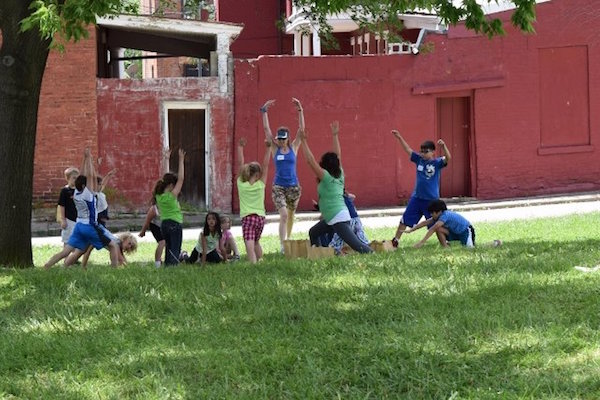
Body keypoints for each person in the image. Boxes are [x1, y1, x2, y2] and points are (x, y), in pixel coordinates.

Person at [298, 121, 372, 254]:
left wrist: (303, 141)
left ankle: (372, 254)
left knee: (357, 246)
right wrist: (335, 135)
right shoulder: (340, 174)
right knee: (313, 232)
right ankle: (321, 255)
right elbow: (337, 155)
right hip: (332, 217)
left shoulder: (325, 176)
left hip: (338, 218)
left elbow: (310, 160)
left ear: (324, 165)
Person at [45, 149, 121, 269]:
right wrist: (89, 160)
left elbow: (82, 176)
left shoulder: (76, 193)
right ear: (85, 186)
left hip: (79, 226)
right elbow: (89, 175)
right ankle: (114, 270)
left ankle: (49, 266)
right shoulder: (87, 194)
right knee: (112, 245)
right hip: (89, 226)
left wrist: (85, 159)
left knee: (67, 251)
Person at [390, 130, 451, 247]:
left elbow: (448, 158)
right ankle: (396, 240)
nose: (423, 154)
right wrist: (399, 138)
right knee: (405, 219)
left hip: (432, 200)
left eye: (426, 151)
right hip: (417, 198)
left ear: (433, 152)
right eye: (421, 151)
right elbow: (408, 150)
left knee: (437, 223)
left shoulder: (437, 163)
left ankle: (445, 242)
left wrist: (444, 146)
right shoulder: (418, 160)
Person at [260, 98, 304, 253]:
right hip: (278, 187)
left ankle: (288, 238)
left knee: (291, 215)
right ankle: (282, 244)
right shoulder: (274, 148)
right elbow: (266, 129)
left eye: (283, 139)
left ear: (288, 138)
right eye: (279, 139)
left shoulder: (294, 147)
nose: (281, 141)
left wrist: (300, 110)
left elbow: (301, 130)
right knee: (284, 215)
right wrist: (264, 111)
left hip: (293, 187)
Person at [236, 137, 271, 263]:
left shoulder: (241, 185)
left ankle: (253, 264)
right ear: (257, 175)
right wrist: (268, 148)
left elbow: (240, 163)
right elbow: (266, 165)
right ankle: (261, 260)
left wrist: (240, 148)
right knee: (256, 241)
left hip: (248, 217)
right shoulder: (260, 185)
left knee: (249, 245)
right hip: (260, 218)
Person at [153, 148, 186, 266]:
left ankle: (168, 266)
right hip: (175, 224)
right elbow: (181, 179)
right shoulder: (172, 196)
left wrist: (167, 159)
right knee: (175, 248)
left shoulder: (159, 195)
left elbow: (165, 177)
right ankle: (173, 267)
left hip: (164, 225)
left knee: (168, 249)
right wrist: (181, 160)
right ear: (172, 185)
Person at [139, 148, 171, 268]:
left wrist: (167, 159)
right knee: (162, 242)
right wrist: (143, 231)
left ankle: (169, 260)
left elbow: (167, 179)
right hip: (155, 225)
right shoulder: (154, 209)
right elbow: (147, 221)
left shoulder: (167, 200)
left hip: (164, 224)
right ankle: (157, 263)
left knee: (168, 242)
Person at [405, 199, 475, 248]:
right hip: (454, 232)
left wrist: (422, 242)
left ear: (439, 212)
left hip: (466, 231)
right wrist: (411, 230)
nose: (431, 215)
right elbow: (425, 222)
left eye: (432, 213)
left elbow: (433, 228)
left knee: (469, 249)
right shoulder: (439, 216)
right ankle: (446, 247)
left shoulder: (445, 216)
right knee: (438, 229)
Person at [329, 190, 370, 255]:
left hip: (348, 219)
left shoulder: (336, 198)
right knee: (359, 234)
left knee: (341, 235)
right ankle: (367, 245)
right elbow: (353, 196)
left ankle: (334, 250)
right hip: (356, 218)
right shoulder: (345, 196)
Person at [57, 166, 79, 248]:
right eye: (74, 178)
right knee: (67, 239)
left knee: (76, 238)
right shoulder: (65, 191)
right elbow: (62, 206)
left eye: (77, 178)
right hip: (68, 219)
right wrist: (63, 220)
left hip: (78, 218)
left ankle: (74, 257)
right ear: (68, 178)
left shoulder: (79, 190)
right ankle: (66, 257)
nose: (76, 180)